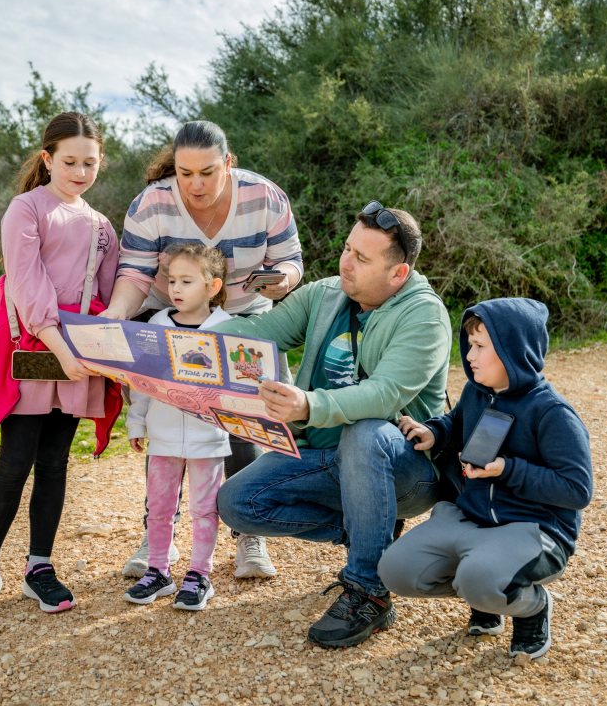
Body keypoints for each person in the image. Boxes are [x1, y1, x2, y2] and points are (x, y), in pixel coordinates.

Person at [214, 201, 451, 648]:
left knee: (364, 431)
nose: (346, 262)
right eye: (346, 249)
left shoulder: (424, 316)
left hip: (406, 470)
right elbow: (261, 333)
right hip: (326, 458)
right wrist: (183, 341)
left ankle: (368, 591)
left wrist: (308, 404)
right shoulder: (324, 295)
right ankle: (370, 533)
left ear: (398, 274)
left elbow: (383, 395)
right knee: (237, 503)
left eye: (362, 258)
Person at [102, 119, 303, 580]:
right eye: (185, 173)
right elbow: (134, 273)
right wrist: (116, 315)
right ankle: (158, 535)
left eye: (207, 172)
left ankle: (248, 533)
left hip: (242, 317)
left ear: (228, 163)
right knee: (166, 417)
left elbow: (290, 260)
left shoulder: (264, 197)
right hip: (168, 316)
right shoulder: (151, 203)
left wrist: (283, 281)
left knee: (242, 420)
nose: (195, 185)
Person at [0, 112, 119, 624]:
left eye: (90, 163)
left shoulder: (101, 226)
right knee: (15, 460)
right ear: (47, 159)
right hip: (32, 349)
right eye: (69, 162)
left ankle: (39, 566)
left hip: (78, 356)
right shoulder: (25, 209)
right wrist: (60, 349)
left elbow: (109, 291)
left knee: (54, 462)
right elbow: (26, 285)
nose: (80, 172)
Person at [377, 298, 593, 660]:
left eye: (480, 346)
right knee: (395, 570)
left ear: (513, 351)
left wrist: (507, 469)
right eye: (470, 344)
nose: (469, 356)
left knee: (478, 578)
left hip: (532, 528)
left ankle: (530, 606)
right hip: (471, 517)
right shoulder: (477, 392)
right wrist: (434, 433)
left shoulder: (553, 413)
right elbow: (455, 423)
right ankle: (486, 595)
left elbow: (577, 489)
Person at [123, 244, 233, 610]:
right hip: (163, 436)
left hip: (208, 438)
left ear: (213, 286)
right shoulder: (157, 324)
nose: (176, 288)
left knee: (204, 509)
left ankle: (199, 574)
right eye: (172, 281)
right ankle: (158, 571)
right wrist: (137, 422)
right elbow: (142, 380)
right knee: (159, 507)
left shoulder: (227, 327)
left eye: (187, 281)